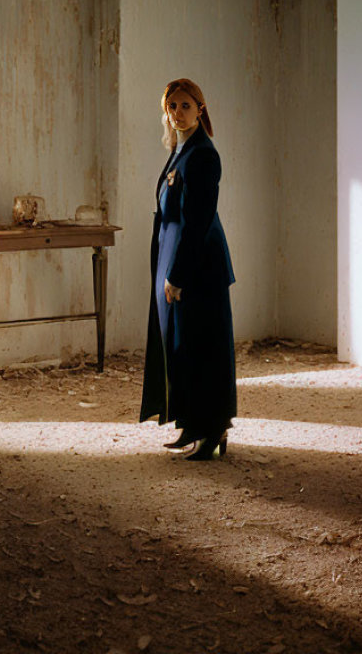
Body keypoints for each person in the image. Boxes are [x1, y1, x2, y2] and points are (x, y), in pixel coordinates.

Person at [139, 78, 236, 460]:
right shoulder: (181, 151)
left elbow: (197, 221)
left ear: (200, 108)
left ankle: (213, 431)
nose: (177, 113)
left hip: (198, 266)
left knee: (203, 348)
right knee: (183, 347)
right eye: (172, 107)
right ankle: (192, 426)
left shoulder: (203, 155)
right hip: (178, 257)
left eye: (185, 106)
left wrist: (178, 275)